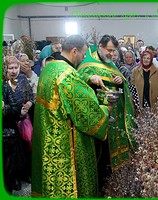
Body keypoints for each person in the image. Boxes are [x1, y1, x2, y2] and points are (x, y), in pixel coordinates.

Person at [31, 35, 111, 198]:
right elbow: (88, 115)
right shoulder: (67, 76)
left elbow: (64, 92)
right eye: (83, 55)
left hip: (48, 140)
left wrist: (88, 77)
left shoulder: (50, 67)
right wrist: (106, 108)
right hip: (66, 146)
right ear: (74, 51)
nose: (83, 59)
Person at [77, 34, 137, 195]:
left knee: (111, 154)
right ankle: (100, 187)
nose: (112, 54)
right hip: (97, 116)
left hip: (114, 116)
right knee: (100, 154)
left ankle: (113, 185)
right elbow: (77, 81)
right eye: (109, 50)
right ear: (101, 47)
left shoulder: (111, 63)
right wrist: (90, 78)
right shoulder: (87, 62)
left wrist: (120, 81)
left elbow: (124, 85)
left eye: (114, 51)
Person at [2, 56, 34, 193]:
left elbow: (31, 96)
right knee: (15, 153)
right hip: (10, 122)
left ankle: (25, 174)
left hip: (24, 120)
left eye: (16, 67)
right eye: (11, 68)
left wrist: (29, 103)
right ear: (6, 69)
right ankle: (14, 178)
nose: (14, 71)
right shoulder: (4, 84)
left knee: (27, 147)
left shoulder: (22, 80)